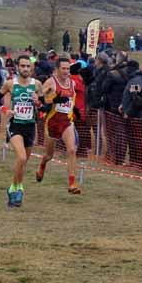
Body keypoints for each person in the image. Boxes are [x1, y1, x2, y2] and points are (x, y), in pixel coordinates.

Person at [35, 57, 82, 195]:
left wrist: (74, 110)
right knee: (49, 155)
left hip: (67, 122)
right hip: (52, 122)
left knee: (72, 150)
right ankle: (43, 164)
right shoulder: (51, 82)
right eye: (63, 68)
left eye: (68, 68)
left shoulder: (72, 83)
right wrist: (52, 100)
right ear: (57, 69)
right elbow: (40, 98)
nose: (66, 71)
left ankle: (72, 183)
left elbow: (71, 100)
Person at [0, 55, 41, 207]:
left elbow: (43, 107)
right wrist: (5, 109)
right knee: (22, 157)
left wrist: (38, 102)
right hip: (15, 125)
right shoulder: (10, 84)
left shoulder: (37, 84)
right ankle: (16, 189)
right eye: (22, 66)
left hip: (30, 126)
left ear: (31, 68)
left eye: (27, 66)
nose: (25, 69)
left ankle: (15, 187)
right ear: (17, 67)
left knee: (23, 162)